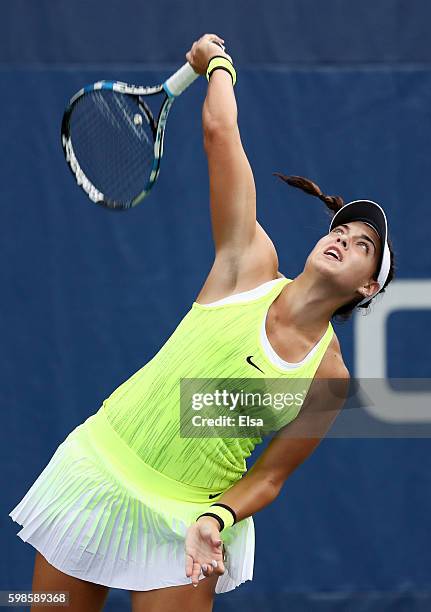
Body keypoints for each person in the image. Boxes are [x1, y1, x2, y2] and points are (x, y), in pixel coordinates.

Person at [9, 33, 395, 612]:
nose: (342, 236)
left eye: (362, 243)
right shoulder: (248, 263)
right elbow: (221, 134)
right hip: (96, 474)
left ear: (368, 287)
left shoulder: (329, 377)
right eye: (341, 227)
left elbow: (270, 477)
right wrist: (215, 65)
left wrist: (219, 515)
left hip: (192, 519)